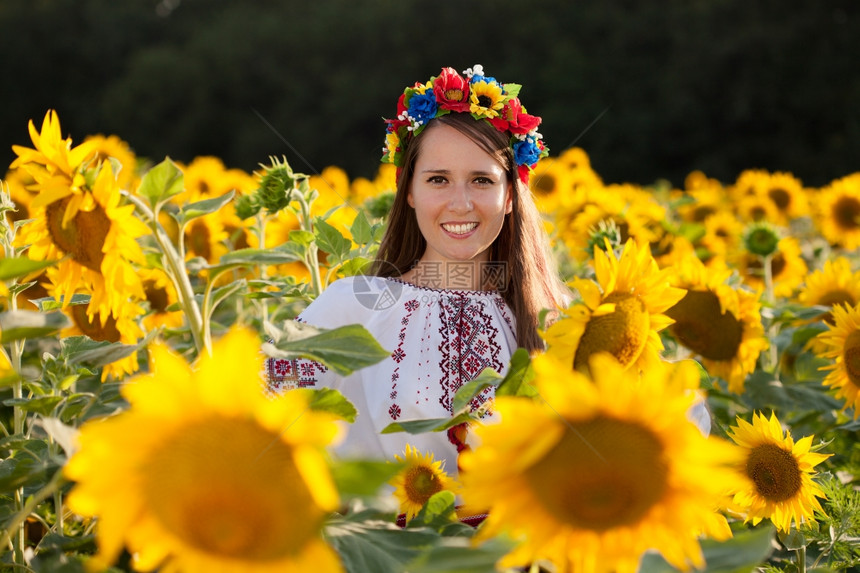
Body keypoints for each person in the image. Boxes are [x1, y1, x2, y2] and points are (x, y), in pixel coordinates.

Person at [265, 64, 570, 483]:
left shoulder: (556, 322)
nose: (460, 203)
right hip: (384, 547)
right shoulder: (353, 306)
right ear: (409, 191)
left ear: (510, 196)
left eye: (481, 180)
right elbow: (256, 418)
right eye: (438, 179)